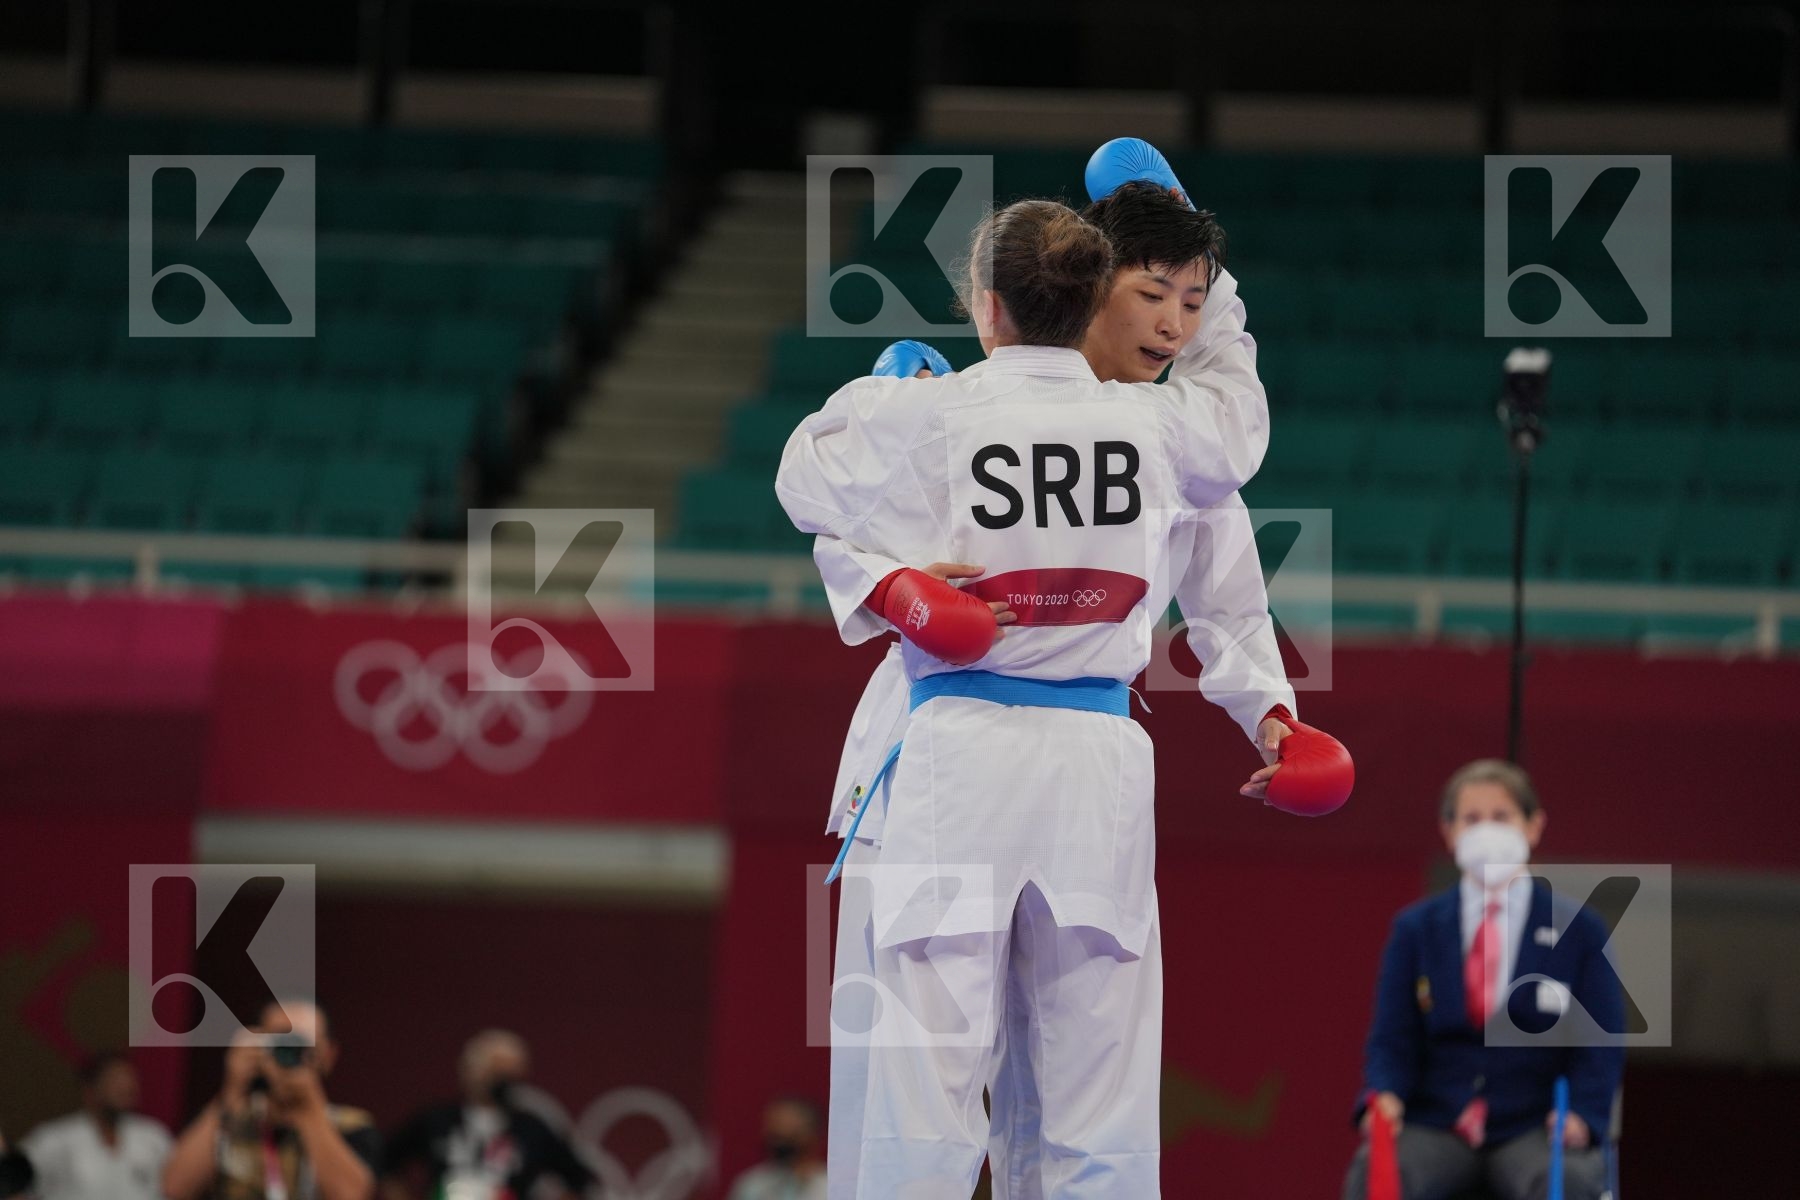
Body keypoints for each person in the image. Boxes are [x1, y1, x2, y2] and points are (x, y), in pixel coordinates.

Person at [776, 196, 1311, 1196]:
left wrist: (1270, 711)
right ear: (1093, 296)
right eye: (1155, 295)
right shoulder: (1173, 430)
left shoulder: (941, 411)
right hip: (1073, 766)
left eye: (1193, 302)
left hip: (965, 753)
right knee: (1093, 1081)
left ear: (990, 306)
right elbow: (1237, 433)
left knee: (925, 1082)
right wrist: (890, 583)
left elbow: (809, 488)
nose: (1174, 324)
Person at [1341, 760, 1624, 1200]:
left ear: (1533, 826)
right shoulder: (1416, 929)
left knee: (1567, 1182)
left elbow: (1601, 1038)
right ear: (1448, 831)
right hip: (1438, 1121)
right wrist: (1385, 1095)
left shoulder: (1579, 930)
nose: (1486, 831)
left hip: (1532, 1124)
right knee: (1379, 1171)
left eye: (1502, 817)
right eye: (1472, 819)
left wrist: (1582, 1115)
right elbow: (1392, 1036)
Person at [162, 1000, 380, 1200]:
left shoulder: (351, 1125)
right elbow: (174, 1188)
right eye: (280, 1041)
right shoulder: (227, 1117)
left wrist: (308, 1109)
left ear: (328, 1055)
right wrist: (231, 1092)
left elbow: (353, 1196)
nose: (288, 1054)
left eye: (300, 1045)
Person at [381, 1029, 591, 1200]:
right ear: (471, 1070)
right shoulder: (436, 1120)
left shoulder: (531, 1128)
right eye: (496, 1072)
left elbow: (579, 1179)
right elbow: (386, 1162)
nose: (504, 1081)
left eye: (512, 1074)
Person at [18, 1052, 171, 1200]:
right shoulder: (54, 1139)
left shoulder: (154, 1136)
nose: (126, 1087)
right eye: (115, 1080)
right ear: (90, 1089)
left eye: (130, 1079)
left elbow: (176, 1186)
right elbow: (12, 1185)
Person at [724, 1096, 827, 1200]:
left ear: (812, 1134)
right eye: (773, 1133)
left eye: (790, 1132)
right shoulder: (753, 1184)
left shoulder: (830, 1185)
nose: (776, 1140)